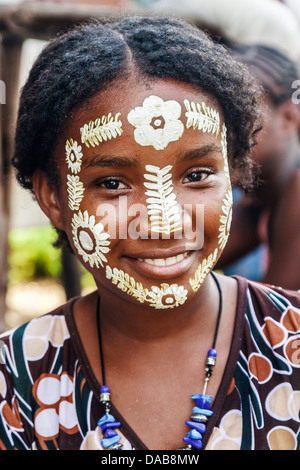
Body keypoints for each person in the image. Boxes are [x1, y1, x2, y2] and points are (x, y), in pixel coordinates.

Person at [0, 16, 299, 451]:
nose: (164, 221)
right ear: (53, 199)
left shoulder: (290, 344)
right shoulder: (14, 379)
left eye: (197, 174)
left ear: (231, 173)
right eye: (113, 183)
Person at [217, 45, 300, 289]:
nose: (223, 135)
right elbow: (188, 259)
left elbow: (276, 314)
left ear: (288, 118)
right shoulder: (261, 201)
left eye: (241, 119)